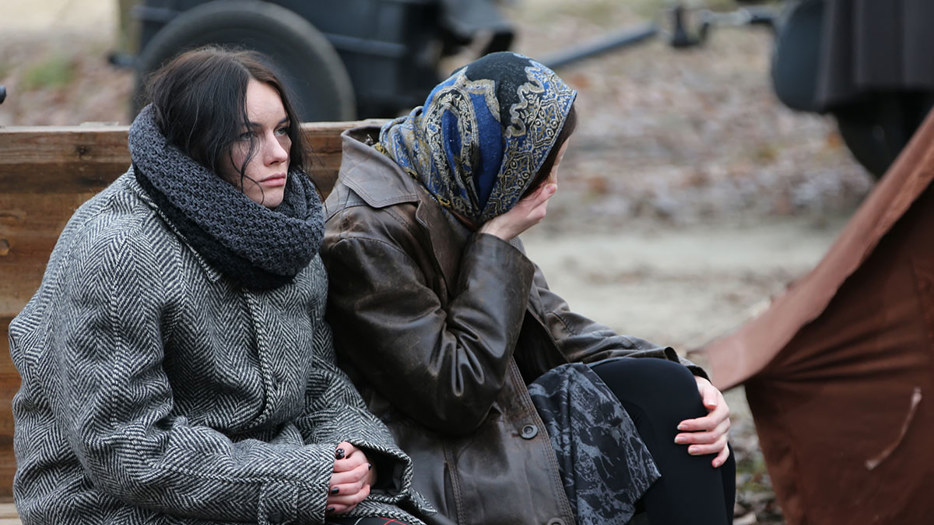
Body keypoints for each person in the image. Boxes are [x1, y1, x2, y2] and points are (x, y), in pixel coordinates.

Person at [8, 46, 430, 525]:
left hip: (273, 476)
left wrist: (355, 456)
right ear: (197, 144)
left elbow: (318, 382)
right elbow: (125, 449)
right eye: (248, 136)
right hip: (116, 504)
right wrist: (304, 477)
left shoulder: (284, 229)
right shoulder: (118, 249)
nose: (279, 154)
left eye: (283, 130)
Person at [321, 51, 736, 525]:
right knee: (670, 429)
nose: (553, 186)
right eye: (547, 169)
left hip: (497, 408)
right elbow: (453, 395)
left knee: (677, 403)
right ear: (504, 166)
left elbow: (555, 326)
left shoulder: (458, 179)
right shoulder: (361, 238)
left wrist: (689, 378)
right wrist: (495, 245)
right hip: (436, 456)